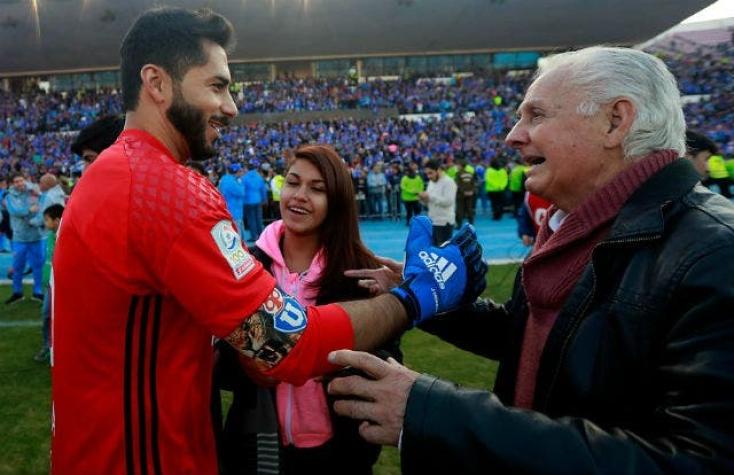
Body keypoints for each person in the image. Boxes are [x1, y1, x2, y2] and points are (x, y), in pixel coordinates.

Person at [50, 7, 487, 475]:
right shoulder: (162, 187)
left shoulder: (116, 174)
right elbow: (287, 345)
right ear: (157, 84)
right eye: (216, 86)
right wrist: (419, 296)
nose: (231, 106)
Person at [328, 46, 734, 474]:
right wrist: (428, 300)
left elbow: (696, 461)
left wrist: (433, 411)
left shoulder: (714, 253)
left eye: (536, 115)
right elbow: (543, 339)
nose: (513, 135)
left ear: (615, 121)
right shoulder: (576, 227)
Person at [217, 145, 401, 475]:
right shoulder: (246, 264)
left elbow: (387, 362)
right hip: (262, 449)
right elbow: (223, 367)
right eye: (293, 183)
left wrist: (327, 362)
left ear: (337, 202)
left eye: (317, 189)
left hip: (342, 455)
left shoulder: (361, 272)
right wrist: (251, 363)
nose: (299, 196)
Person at [4, 174, 44, 304]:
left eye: (21, 180)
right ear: (12, 184)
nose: (19, 183)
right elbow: (15, 211)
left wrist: (34, 191)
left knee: (38, 266)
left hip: (36, 236)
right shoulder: (9, 196)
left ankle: (37, 292)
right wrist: (29, 210)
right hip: (19, 238)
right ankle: (17, 292)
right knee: (17, 266)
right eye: (16, 181)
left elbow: (39, 208)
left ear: (25, 180)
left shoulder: (33, 192)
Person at [33, 203, 64, 363]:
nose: (45, 223)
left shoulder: (66, 237)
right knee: (46, 315)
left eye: (47, 220)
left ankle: (60, 347)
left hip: (60, 285)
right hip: (49, 285)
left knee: (58, 317)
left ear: (57, 220)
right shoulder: (50, 236)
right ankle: (47, 346)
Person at [419, 159, 457, 245]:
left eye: (430, 173)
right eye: (427, 174)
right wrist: (423, 200)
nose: (428, 176)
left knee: (442, 253)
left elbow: (448, 202)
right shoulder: (431, 182)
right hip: (433, 221)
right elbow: (430, 201)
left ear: (438, 170)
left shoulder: (449, 182)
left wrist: (430, 197)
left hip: (444, 223)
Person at [219, 163, 246, 240]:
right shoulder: (232, 182)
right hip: (234, 211)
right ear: (236, 172)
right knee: (238, 236)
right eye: (240, 171)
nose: (241, 173)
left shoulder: (225, 179)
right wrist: (241, 183)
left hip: (230, 210)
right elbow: (241, 192)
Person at [243, 160, 267, 242]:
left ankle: (254, 237)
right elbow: (263, 189)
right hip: (258, 200)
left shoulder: (245, 178)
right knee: (259, 218)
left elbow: (243, 190)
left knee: (251, 219)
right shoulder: (259, 176)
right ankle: (261, 236)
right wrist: (264, 199)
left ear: (247, 169)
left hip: (248, 201)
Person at [400, 161, 424, 226]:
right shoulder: (405, 178)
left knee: (417, 211)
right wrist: (413, 191)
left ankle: (417, 222)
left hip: (415, 198)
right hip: (408, 198)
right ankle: (408, 222)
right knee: (409, 212)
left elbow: (421, 185)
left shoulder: (418, 178)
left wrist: (418, 191)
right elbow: (403, 187)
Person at [454, 157, 476, 225]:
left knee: (459, 209)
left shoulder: (458, 174)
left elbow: (457, 184)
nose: (456, 166)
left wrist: (463, 191)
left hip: (460, 194)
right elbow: (473, 183)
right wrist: (471, 191)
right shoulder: (470, 173)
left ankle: (459, 224)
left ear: (460, 166)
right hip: (470, 194)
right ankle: (471, 223)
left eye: (457, 165)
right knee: (469, 209)